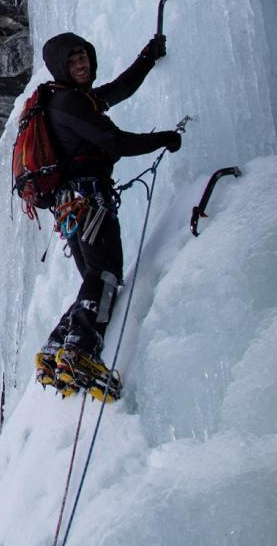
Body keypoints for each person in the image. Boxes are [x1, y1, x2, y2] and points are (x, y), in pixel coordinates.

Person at [35, 30, 181, 398]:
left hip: (74, 206)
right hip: (88, 200)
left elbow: (117, 91)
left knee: (96, 280)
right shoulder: (68, 103)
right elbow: (114, 142)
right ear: (59, 67)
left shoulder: (72, 100)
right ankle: (80, 350)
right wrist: (163, 138)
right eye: (72, 59)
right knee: (105, 275)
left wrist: (146, 58)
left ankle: (58, 347)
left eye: (83, 55)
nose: (80, 63)